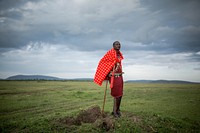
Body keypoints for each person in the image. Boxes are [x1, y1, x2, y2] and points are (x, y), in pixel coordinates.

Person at [94, 41, 124, 117]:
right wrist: (108, 73)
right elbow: (102, 62)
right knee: (116, 94)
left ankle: (117, 110)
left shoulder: (119, 54)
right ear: (113, 46)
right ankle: (114, 112)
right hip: (113, 77)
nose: (118, 45)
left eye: (119, 44)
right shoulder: (110, 53)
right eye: (116, 44)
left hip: (120, 76)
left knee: (120, 94)